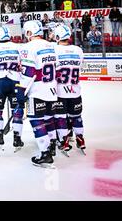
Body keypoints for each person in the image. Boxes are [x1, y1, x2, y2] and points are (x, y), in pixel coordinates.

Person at [17, 20, 58, 168]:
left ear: (29, 33)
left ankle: (45, 153)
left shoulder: (28, 47)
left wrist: (21, 90)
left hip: (37, 91)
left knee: (36, 120)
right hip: (52, 89)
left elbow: (28, 72)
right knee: (49, 118)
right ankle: (52, 145)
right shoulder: (52, 46)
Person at [53, 25, 86, 155]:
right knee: (76, 116)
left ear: (57, 37)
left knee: (60, 117)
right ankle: (80, 139)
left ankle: (64, 140)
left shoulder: (54, 50)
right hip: (75, 90)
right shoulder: (78, 50)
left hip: (60, 91)